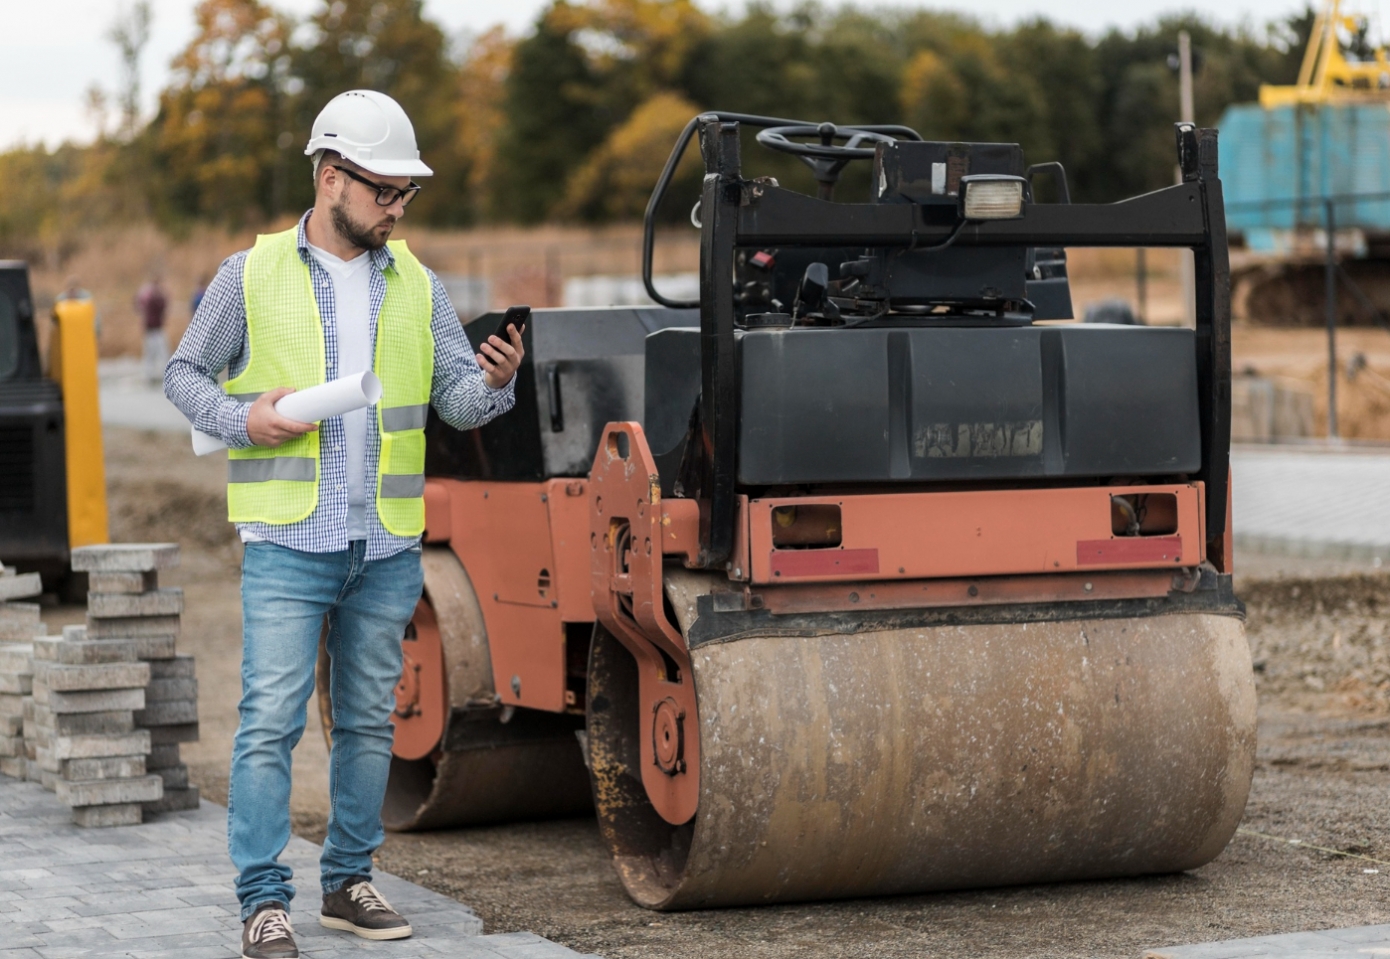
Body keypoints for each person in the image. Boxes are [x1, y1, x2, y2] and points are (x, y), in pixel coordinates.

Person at [165, 89, 526, 959]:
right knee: (269, 723)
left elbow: (456, 403)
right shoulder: (248, 274)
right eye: (386, 191)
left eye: (408, 194)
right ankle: (262, 899)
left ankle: (348, 880)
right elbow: (183, 375)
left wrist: (499, 381)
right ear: (332, 178)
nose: (399, 209)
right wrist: (247, 419)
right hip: (288, 540)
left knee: (369, 720)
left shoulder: (420, 286)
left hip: (386, 544)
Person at [136, 273, 168, 383]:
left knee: (161, 353)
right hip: (151, 329)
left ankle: (160, 374)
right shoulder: (151, 296)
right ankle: (149, 375)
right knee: (151, 354)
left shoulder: (148, 296)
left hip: (156, 329)